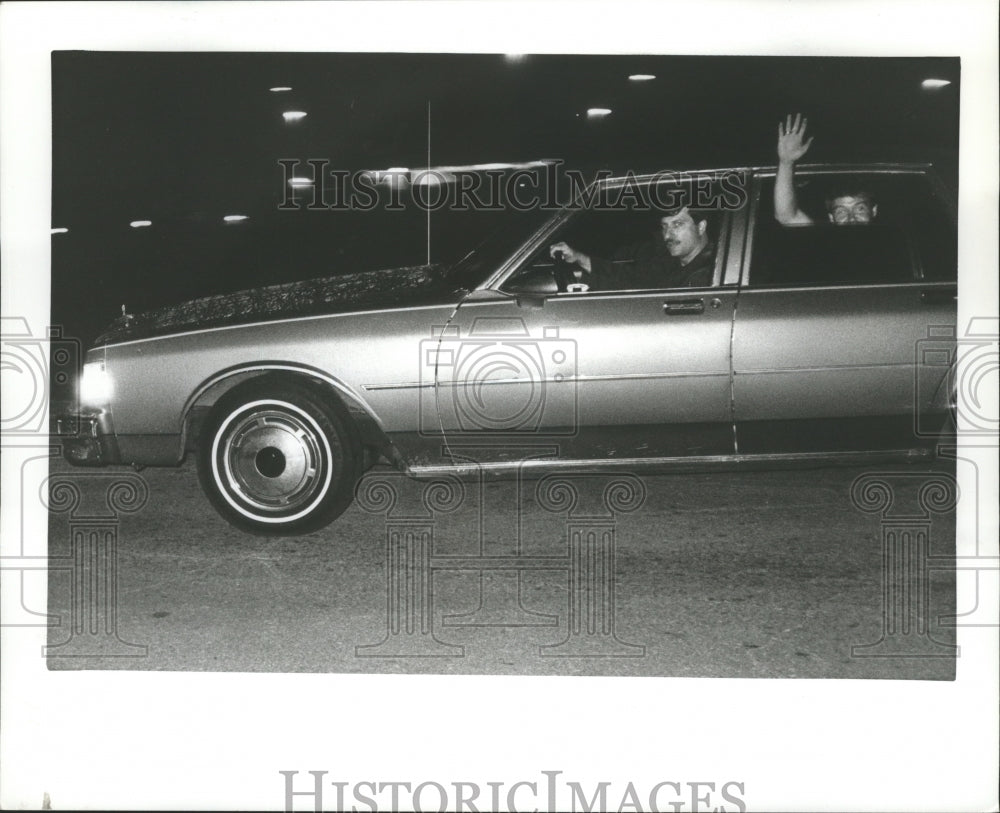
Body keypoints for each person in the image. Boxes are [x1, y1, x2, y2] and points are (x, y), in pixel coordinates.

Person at [547, 205, 715, 291]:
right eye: (664, 227)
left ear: (701, 227)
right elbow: (632, 278)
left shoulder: (710, 272)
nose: (667, 236)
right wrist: (580, 258)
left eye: (677, 225)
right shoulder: (672, 263)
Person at [775, 113, 878, 226]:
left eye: (860, 209)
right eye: (841, 212)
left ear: (873, 211)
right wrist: (786, 162)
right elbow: (786, 217)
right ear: (831, 218)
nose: (852, 219)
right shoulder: (823, 236)